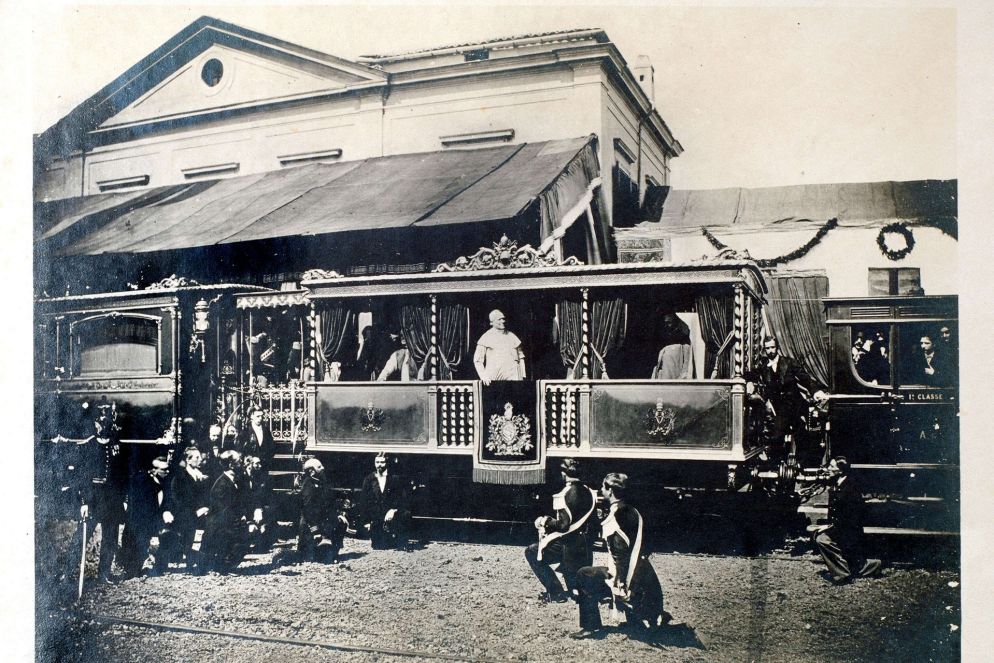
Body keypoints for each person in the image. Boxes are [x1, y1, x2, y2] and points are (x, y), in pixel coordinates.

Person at [572, 473, 666, 639]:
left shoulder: (616, 516)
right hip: (645, 575)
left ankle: (591, 627)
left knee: (583, 574)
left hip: (631, 579)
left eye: (603, 487)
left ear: (610, 490)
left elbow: (619, 553)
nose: (601, 490)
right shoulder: (633, 511)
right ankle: (637, 617)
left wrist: (620, 582)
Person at [525, 459, 597, 603]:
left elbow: (563, 526)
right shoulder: (590, 492)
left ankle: (556, 592)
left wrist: (545, 521)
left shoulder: (564, 494)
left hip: (568, 545)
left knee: (532, 551)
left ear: (564, 474)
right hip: (584, 544)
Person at [747, 336, 829, 462]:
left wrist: (816, 391)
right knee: (776, 438)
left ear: (778, 347)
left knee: (802, 438)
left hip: (797, 407)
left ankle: (802, 468)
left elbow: (805, 378)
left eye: (772, 347)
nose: (770, 351)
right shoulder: (763, 366)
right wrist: (750, 382)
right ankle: (779, 470)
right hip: (781, 410)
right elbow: (750, 375)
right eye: (767, 348)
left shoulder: (789, 362)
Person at [73, 404, 129, 584]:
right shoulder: (87, 447)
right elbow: (82, 478)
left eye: (107, 421)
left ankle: (103, 574)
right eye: (100, 421)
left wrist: (124, 499)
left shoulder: (117, 446)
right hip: (93, 497)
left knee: (111, 537)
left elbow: (123, 476)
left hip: (113, 498)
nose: (103, 425)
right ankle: (66, 571)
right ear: (95, 424)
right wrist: (84, 502)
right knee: (81, 537)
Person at [813, 457, 882, 584]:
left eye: (832, 467)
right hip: (841, 527)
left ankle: (842, 575)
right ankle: (873, 566)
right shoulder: (837, 482)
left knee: (822, 540)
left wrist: (829, 528)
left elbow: (850, 518)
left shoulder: (851, 488)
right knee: (855, 565)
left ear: (841, 470)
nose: (828, 469)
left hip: (849, 530)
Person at [158, 446, 210, 573]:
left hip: (195, 514)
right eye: (196, 457)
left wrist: (203, 507)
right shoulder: (180, 477)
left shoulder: (199, 476)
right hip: (183, 514)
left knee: (192, 537)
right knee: (176, 538)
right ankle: (161, 564)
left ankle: (191, 562)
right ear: (188, 460)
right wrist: (195, 511)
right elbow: (177, 499)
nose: (200, 460)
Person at [119, 456, 170, 579]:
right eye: (164, 470)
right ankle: (131, 569)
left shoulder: (162, 483)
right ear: (154, 470)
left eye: (168, 469)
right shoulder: (143, 482)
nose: (167, 472)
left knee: (143, 542)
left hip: (148, 520)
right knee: (135, 542)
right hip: (138, 519)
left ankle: (138, 566)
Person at [200, 450, 249, 574]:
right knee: (240, 540)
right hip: (220, 526)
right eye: (239, 461)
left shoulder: (234, 480)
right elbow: (223, 510)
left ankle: (224, 566)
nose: (242, 463)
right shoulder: (221, 484)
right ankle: (222, 567)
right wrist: (238, 522)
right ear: (231, 465)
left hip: (229, 523)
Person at [298, 458, 351, 563]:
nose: (323, 468)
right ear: (311, 471)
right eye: (319, 467)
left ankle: (332, 553)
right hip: (311, 525)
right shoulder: (309, 486)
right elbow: (308, 511)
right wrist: (316, 531)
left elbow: (328, 504)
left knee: (341, 523)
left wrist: (339, 515)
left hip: (321, 521)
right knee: (313, 556)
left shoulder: (321, 483)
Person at [357, 452, 412, 550]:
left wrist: (393, 510)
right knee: (379, 546)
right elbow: (363, 501)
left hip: (390, 514)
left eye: (382, 462)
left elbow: (402, 498)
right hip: (376, 516)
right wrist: (367, 522)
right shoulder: (369, 479)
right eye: (377, 462)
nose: (379, 465)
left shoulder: (395, 478)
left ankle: (401, 541)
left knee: (406, 514)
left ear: (386, 463)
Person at [474, 309, 526, 385]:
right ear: (492, 322)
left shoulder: (512, 336)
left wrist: (522, 376)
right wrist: (484, 376)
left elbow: (521, 357)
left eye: (503, 319)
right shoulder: (486, 337)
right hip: (495, 380)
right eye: (499, 319)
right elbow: (478, 360)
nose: (503, 321)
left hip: (515, 379)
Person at [242, 454, 274, 552]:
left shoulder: (256, 476)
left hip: (254, 505)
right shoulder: (242, 476)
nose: (259, 466)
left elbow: (258, 494)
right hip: (244, 506)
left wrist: (258, 508)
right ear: (250, 464)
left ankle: (257, 546)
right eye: (257, 464)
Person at [651, 314, 693, 379]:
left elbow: (687, 364)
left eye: (669, 323)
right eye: (665, 323)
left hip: (676, 377)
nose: (666, 326)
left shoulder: (684, 345)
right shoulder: (662, 344)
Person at [237, 407, 276, 472]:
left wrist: (265, 459)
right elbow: (240, 449)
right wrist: (251, 459)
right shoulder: (245, 432)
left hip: (264, 466)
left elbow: (272, 447)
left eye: (261, 416)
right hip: (250, 467)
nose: (260, 418)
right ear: (252, 416)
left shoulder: (266, 430)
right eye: (257, 416)